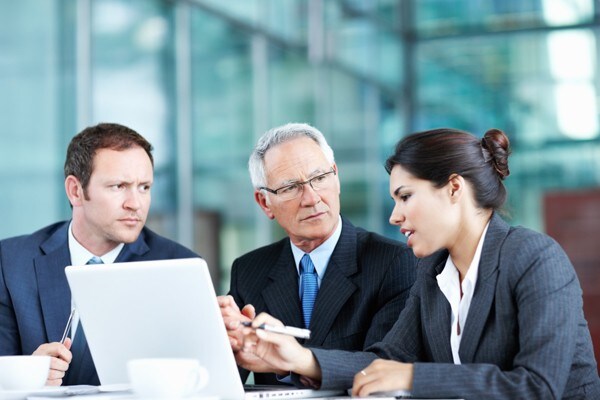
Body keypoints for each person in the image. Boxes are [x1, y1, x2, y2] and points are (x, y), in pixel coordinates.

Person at [237, 128, 600, 399]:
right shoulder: (434, 271)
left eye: (406, 197)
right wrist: (297, 358)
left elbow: (538, 387)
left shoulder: (535, 258)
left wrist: (412, 377)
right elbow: (386, 358)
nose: (395, 217)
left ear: (454, 188)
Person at [0, 123, 198, 386]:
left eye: (144, 187)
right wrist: (27, 373)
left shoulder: (179, 266)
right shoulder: (12, 261)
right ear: (75, 191)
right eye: (118, 186)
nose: (135, 203)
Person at [218, 122, 417, 385]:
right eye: (290, 187)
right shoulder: (249, 270)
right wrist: (221, 337)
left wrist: (297, 359)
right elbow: (225, 380)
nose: (311, 198)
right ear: (265, 202)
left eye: (319, 178)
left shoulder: (394, 262)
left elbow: (388, 367)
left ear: (336, 177)